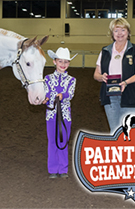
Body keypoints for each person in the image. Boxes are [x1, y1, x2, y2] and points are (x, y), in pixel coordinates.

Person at [93, 18, 135, 134]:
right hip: (110, 96)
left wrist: (126, 83)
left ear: (128, 32)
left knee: (131, 132)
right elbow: (96, 74)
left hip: (130, 95)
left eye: (123, 30)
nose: (120, 33)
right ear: (112, 34)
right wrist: (101, 77)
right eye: (116, 30)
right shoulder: (105, 51)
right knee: (115, 131)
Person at [43, 47, 77, 179]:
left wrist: (63, 95)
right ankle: (52, 168)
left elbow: (70, 94)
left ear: (69, 63)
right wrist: (45, 99)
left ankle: (63, 168)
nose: (63, 64)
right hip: (51, 115)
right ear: (54, 62)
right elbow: (46, 93)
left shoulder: (72, 80)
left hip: (65, 116)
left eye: (66, 62)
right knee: (52, 141)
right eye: (60, 61)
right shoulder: (47, 78)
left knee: (63, 141)